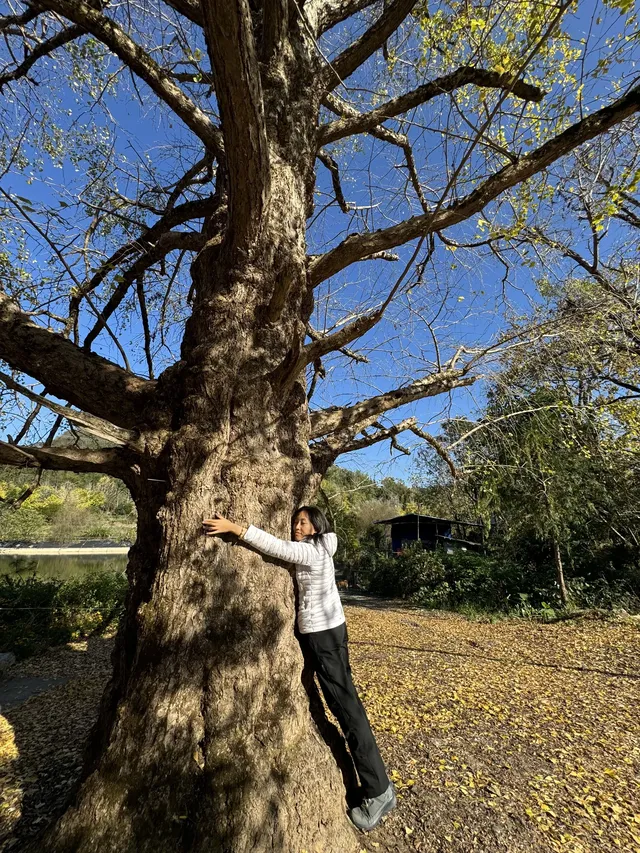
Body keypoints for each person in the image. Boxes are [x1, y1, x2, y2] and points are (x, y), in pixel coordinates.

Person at [202, 505, 396, 832]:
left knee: (347, 709)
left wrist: (237, 529)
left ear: (316, 527)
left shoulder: (311, 551)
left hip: (323, 634)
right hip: (330, 631)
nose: (296, 526)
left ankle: (378, 791)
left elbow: (278, 548)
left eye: (303, 522)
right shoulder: (323, 546)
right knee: (343, 703)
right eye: (295, 521)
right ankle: (377, 786)